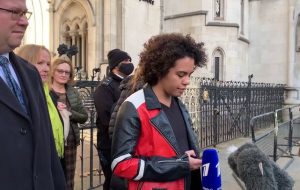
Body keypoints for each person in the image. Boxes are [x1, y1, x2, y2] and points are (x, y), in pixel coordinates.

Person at [111, 33, 207, 190]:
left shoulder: (180, 105)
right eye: (181, 74)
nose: (187, 81)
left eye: (190, 74)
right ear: (160, 70)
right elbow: (120, 164)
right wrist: (179, 165)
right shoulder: (133, 106)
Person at [0, 0, 66, 189]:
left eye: (25, 14)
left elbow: (48, 151)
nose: (24, 22)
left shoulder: (29, 73)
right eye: (15, 12)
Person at [93, 48, 134, 190]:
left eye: (130, 60)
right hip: (110, 144)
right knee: (113, 181)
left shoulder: (130, 84)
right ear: (116, 64)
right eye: (125, 61)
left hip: (128, 141)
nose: (129, 63)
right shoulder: (105, 87)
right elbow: (107, 119)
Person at [16, 44, 65, 159]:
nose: (46, 69)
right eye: (40, 63)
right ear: (25, 62)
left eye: (48, 64)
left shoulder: (46, 92)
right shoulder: (20, 93)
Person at [49, 55, 88, 190]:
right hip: (51, 141)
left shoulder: (73, 92)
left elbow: (84, 116)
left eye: (67, 72)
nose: (64, 74)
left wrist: (69, 113)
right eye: (60, 71)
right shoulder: (45, 91)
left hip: (70, 142)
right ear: (53, 71)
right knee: (52, 178)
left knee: (68, 180)